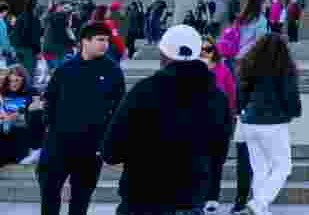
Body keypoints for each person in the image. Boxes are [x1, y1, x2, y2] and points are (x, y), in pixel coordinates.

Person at [102, 25, 232, 215]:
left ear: (164, 54)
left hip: (142, 199)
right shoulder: (218, 98)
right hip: (190, 200)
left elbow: (111, 150)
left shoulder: (144, 92)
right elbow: (219, 153)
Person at [38, 21, 126, 215]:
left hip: (90, 148)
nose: (105, 44)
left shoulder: (112, 71)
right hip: (58, 145)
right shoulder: (65, 70)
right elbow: (50, 101)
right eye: (100, 40)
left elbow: (119, 108)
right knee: (49, 194)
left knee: (81, 199)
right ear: (85, 41)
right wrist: (50, 127)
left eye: (107, 40)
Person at [237, 34, 302, 215]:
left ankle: (261, 210)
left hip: (249, 122)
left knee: (260, 169)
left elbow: (241, 93)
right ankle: (257, 205)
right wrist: (293, 112)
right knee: (283, 167)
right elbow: (291, 96)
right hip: (273, 123)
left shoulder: (249, 65)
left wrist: (242, 111)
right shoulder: (284, 68)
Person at [201, 35, 237, 213]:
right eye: (202, 49)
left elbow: (231, 96)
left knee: (216, 163)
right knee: (201, 162)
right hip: (199, 124)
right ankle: (200, 195)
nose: (205, 53)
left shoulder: (223, 70)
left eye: (208, 49)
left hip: (220, 125)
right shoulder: (194, 71)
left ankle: (212, 197)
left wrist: (231, 121)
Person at [0, 64, 45, 167]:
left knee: (35, 111)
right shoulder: (3, 93)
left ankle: (36, 150)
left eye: (17, 79)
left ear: (23, 79)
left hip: (24, 131)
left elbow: (39, 107)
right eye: (11, 80)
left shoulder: (31, 91)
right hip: (6, 131)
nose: (13, 83)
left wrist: (21, 113)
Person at [13, 0, 43, 73]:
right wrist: (38, 51)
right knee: (28, 73)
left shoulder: (20, 17)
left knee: (19, 73)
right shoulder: (35, 20)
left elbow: (16, 33)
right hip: (29, 51)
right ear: (34, 7)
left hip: (18, 48)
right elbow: (35, 37)